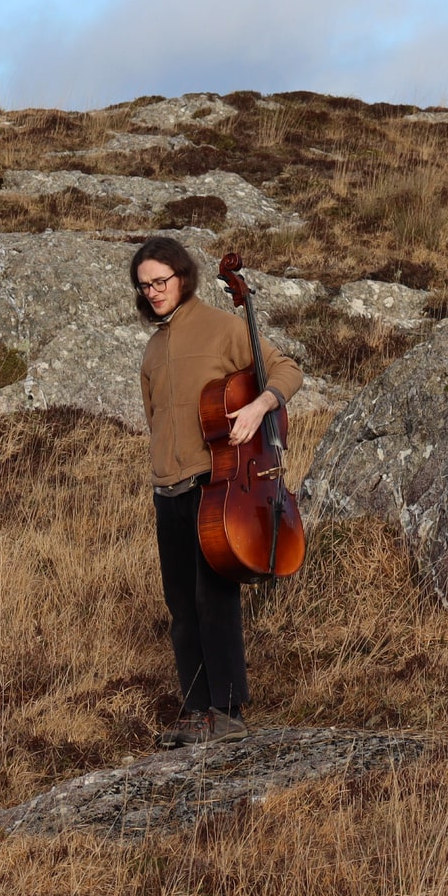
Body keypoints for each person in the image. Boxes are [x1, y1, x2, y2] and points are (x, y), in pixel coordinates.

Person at [132, 236, 303, 747]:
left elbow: (287, 370)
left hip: (215, 486)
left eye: (160, 281)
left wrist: (260, 406)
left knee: (214, 599)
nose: (153, 291)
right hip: (167, 490)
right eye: (145, 286)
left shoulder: (222, 327)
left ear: (182, 276)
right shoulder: (153, 347)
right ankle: (195, 710)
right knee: (181, 606)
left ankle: (227, 711)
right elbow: (155, 418)